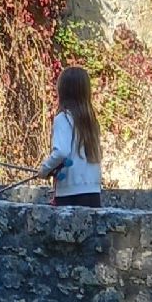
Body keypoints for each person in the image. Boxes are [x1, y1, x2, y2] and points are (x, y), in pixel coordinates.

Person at [36, 66, 104, 207]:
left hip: (70, 193)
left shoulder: (63, 118)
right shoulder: (92, 122)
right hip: (93, 192)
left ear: (63, 91)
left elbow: (61, 152)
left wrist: (45, 169)